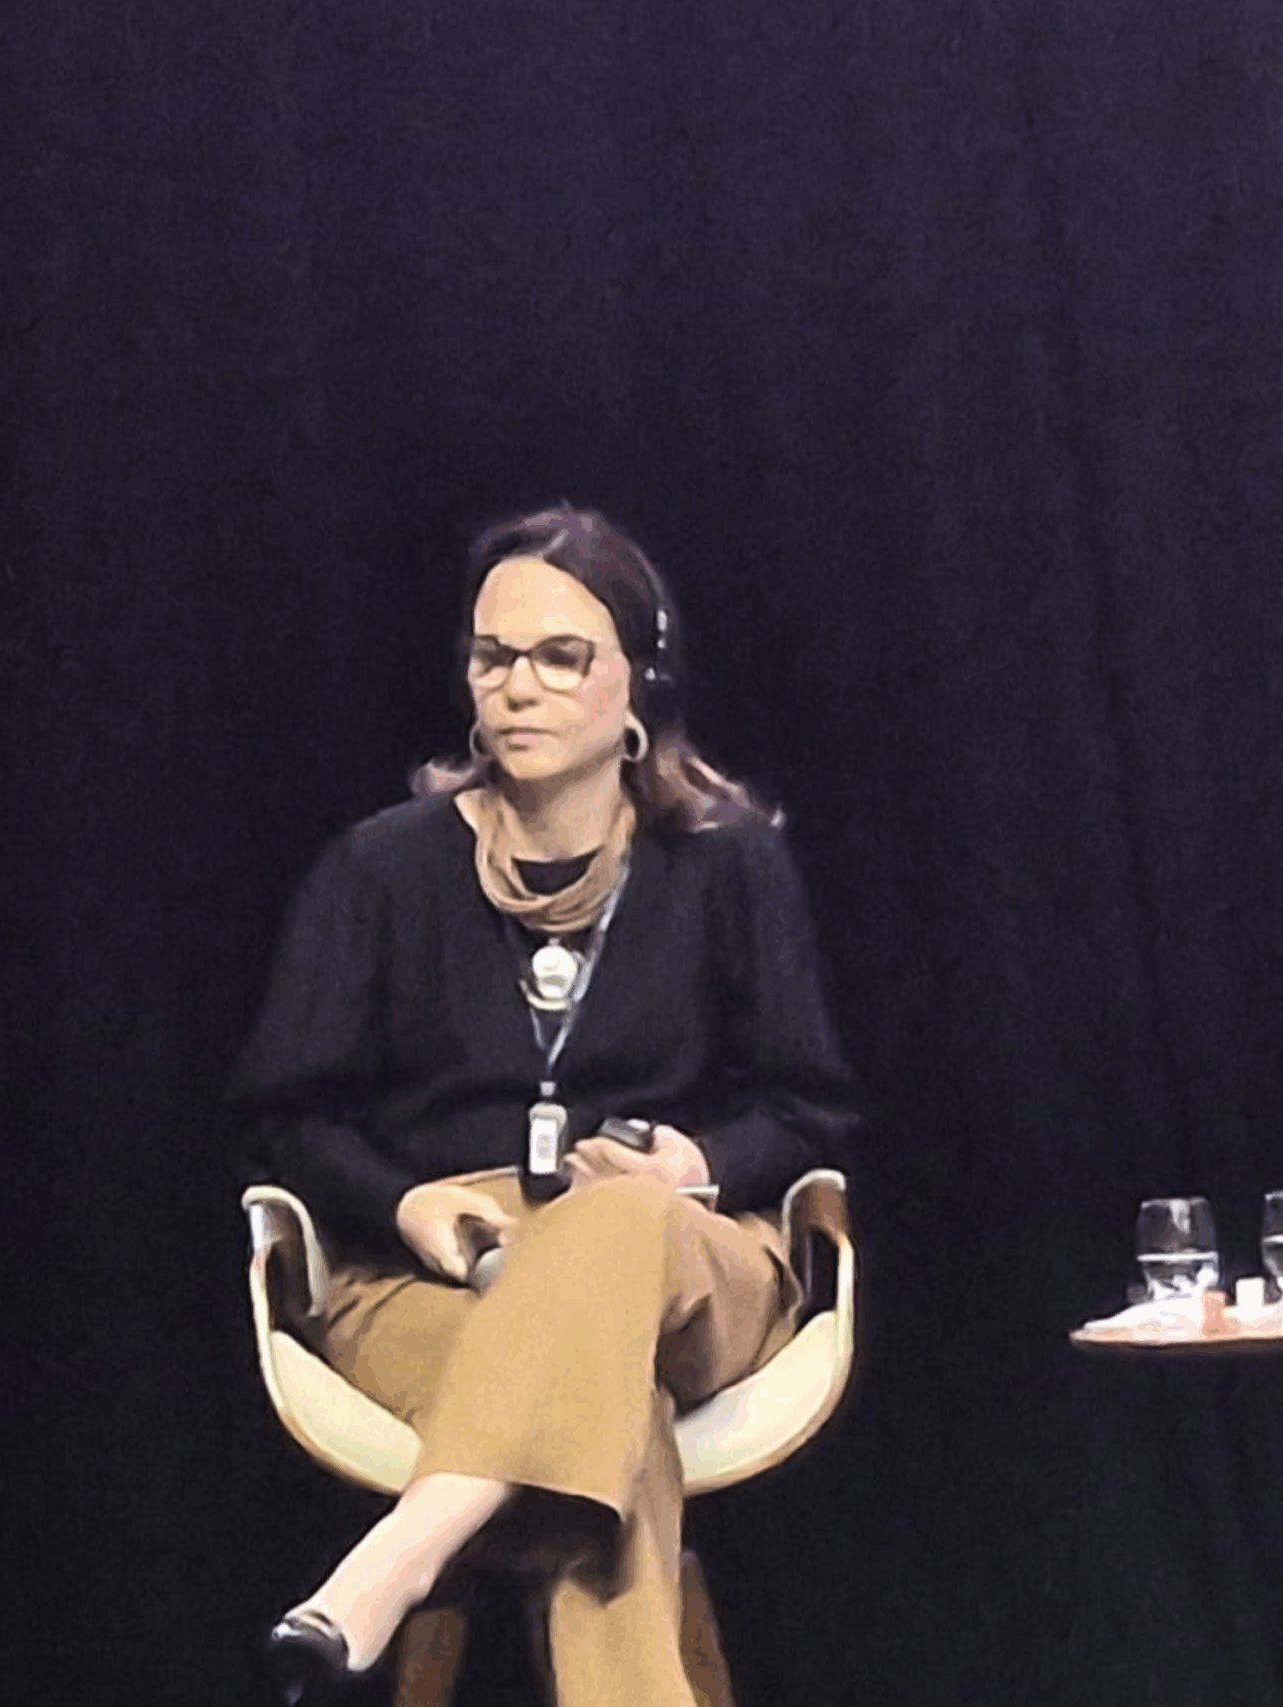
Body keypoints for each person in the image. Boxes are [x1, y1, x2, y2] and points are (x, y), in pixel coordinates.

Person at [233, 505, 858, 1706]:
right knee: (596, 1421)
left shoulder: (727, 866)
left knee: (610, 1225)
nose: (518, 687)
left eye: (561, 657)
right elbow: (284, 1116)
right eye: (493, 656)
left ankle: (397, 1560)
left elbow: (811, 1109)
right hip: (432, 1283)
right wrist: (403, 1203)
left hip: (684, 1256)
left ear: (640, 681)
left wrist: (691, 1170)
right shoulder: (379, 869)